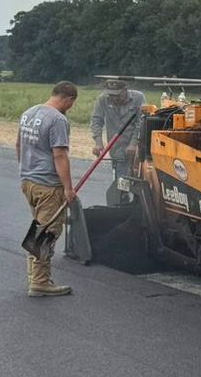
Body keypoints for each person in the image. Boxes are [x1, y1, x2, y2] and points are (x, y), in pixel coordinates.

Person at [18, 82, 80, 297]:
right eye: (71, 103)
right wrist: (68, 188)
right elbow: (60, 155)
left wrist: (25, 171)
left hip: (29, 181)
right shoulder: (57, 120)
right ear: (69, 99)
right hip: (48, 184)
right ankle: (40, 282)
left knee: (38, 227)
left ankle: (34, 275)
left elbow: (19, 145)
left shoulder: (29, 113)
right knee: (48, 232)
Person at [90, 77, 146, 203]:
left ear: (125, 90)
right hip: (117, 149)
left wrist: (133, 144)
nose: (113, 98)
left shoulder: (138, 98)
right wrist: (98, 142)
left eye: (117, 95)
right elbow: (96, 121)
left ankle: (137, 202)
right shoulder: (103, 99)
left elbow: (141, 122)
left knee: (138, 179)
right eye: (110, 94)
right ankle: (122, 201)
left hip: (137, 149)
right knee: (121, 181)